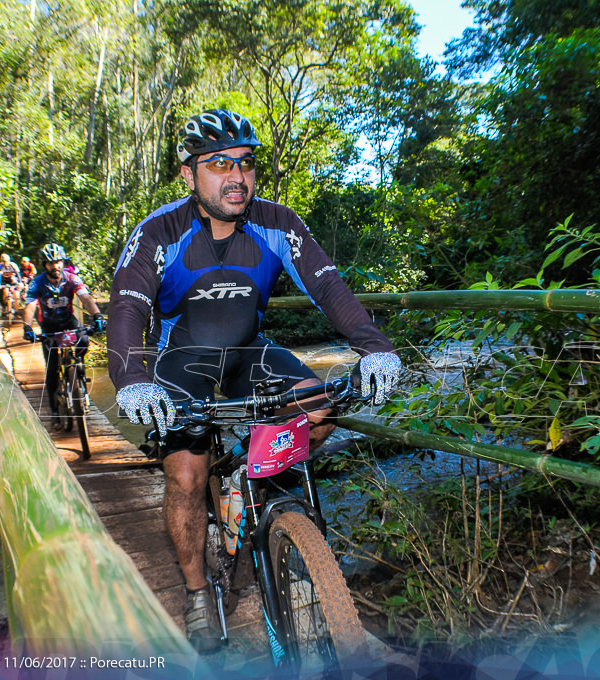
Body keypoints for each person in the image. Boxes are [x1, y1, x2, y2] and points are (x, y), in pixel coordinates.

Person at [107, 108, 401, 653]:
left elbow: (328, 288)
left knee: (320, 407)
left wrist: (377, 349)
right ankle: (198, 591)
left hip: (250, 354)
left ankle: (255, 482)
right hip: (183, 361)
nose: (236, 176)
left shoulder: (277, 222)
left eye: (245, 163)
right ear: (188, 174)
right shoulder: (159, 232)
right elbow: (126, 307)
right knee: (188, 479)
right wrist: (130, 378)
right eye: (218, 164)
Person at [22, 243, 106, 424]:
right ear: (45, 265)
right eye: (51, 263)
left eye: (58, 261)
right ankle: (55, 412)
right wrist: (27, 327)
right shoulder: (37, 283)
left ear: (62, 261)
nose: (55, 266)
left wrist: (97, 315)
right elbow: (30, 306)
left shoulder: (71, 278)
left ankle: (79, 374)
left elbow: (85, 298)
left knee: (84, 340)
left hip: (69, 322)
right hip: (49, 326)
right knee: (52, 368)